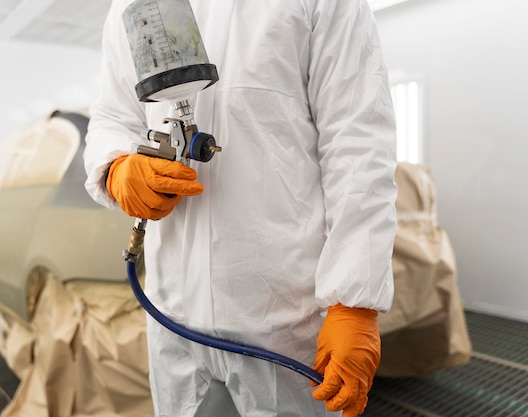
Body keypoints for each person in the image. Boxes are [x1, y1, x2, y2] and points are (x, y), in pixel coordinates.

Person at [84, 0, 397, 416]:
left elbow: (357, 142)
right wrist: (117, 169)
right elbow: (111, 116)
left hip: (284, 325)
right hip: (173, 318)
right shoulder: (132, 5)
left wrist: (354, 302)